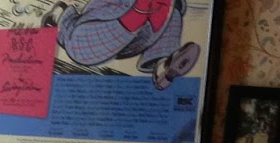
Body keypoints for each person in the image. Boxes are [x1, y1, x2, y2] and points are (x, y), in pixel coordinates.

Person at [43, 0, 201, 88]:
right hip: (128, 28)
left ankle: (163, 60)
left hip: (136, 28)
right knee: (83, 44)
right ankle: (162, 60)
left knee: (172, 15)